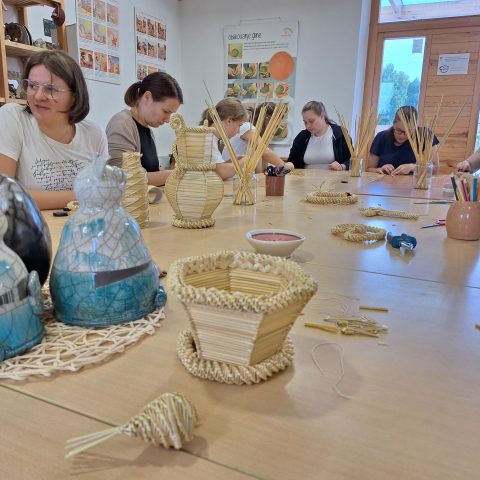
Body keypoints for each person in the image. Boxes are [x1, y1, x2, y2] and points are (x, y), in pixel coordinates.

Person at [0, 50, 108, 211]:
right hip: (33, 226)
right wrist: (83, 195)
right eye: (32, 86)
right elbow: (5, 195)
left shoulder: (94, 134)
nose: (38, 96)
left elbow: (105, 194)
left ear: (75, 95)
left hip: (84, 224)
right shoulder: (13, 118)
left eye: (51, 89)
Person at [106, 72, 183, 186]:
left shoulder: (148, 130)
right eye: (165, 111)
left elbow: (150, 172)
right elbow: (123, 178)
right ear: (147, 97)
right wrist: (176, 174)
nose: (168, 120)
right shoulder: (122, 124)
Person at [221, 102, 294, 172]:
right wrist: (285, 166)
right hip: (232, 176)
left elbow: (259, 170)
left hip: (242, 176)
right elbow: (265, 152)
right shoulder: (247, 127)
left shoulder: (259, 138)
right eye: (276, 125)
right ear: (267, 119)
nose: (276, 129)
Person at [367, 106, 439, 175]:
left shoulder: (424, 135)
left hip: (413, 183)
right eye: (398, 130)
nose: (402, 136)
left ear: (415, 128)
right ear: (393, 124)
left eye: (408, 131)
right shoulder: (381, 137)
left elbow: (435, 168)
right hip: (384, 182)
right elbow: (369, 169)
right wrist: (380, 169)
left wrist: (413, 167)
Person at [287, 101, 351, 170]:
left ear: (322, 116)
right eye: (305, 122)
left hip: (333, 177)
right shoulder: (301, 137)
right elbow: (292, 162)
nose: (308, 126)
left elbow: (352, 160)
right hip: (305, 176)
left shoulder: (340, 133)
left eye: (311, 121)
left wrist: (342, 166)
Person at [199, 98, 248, 179]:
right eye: (239, 125)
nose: (239, 131)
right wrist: (243, 162)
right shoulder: (207, 136)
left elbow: (213, 168)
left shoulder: (207, 133)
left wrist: (231, 162)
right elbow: (221, 173)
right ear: (229, 121)